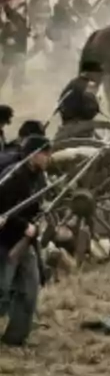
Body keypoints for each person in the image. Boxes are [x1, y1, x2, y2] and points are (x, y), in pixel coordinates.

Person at [0, 125, 53, 346]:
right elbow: (2, 210)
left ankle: (15, 338)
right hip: (5, 240)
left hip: (25, 241)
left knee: (29, 290)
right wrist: (24, 226)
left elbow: (35, 206)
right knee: (1, 290)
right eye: (45, 153)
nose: (49, 158)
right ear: (34, 155)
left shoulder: (39, 177)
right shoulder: (13, 177)